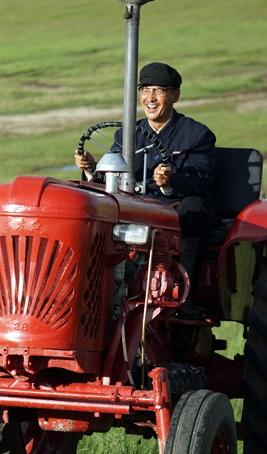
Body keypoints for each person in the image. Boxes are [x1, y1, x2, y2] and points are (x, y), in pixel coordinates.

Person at [74, 62, 217, 318]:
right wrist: (91, 169)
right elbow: (112, 177)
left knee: (194, 208)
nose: (150, 98)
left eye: (159, 91)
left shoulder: (197, 135)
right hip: (134, 206)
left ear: (175, 95)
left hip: (172, 207)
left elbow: (200, 180)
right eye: (146, 90)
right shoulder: (127, 135)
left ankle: (184, 293)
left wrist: (168, 183)